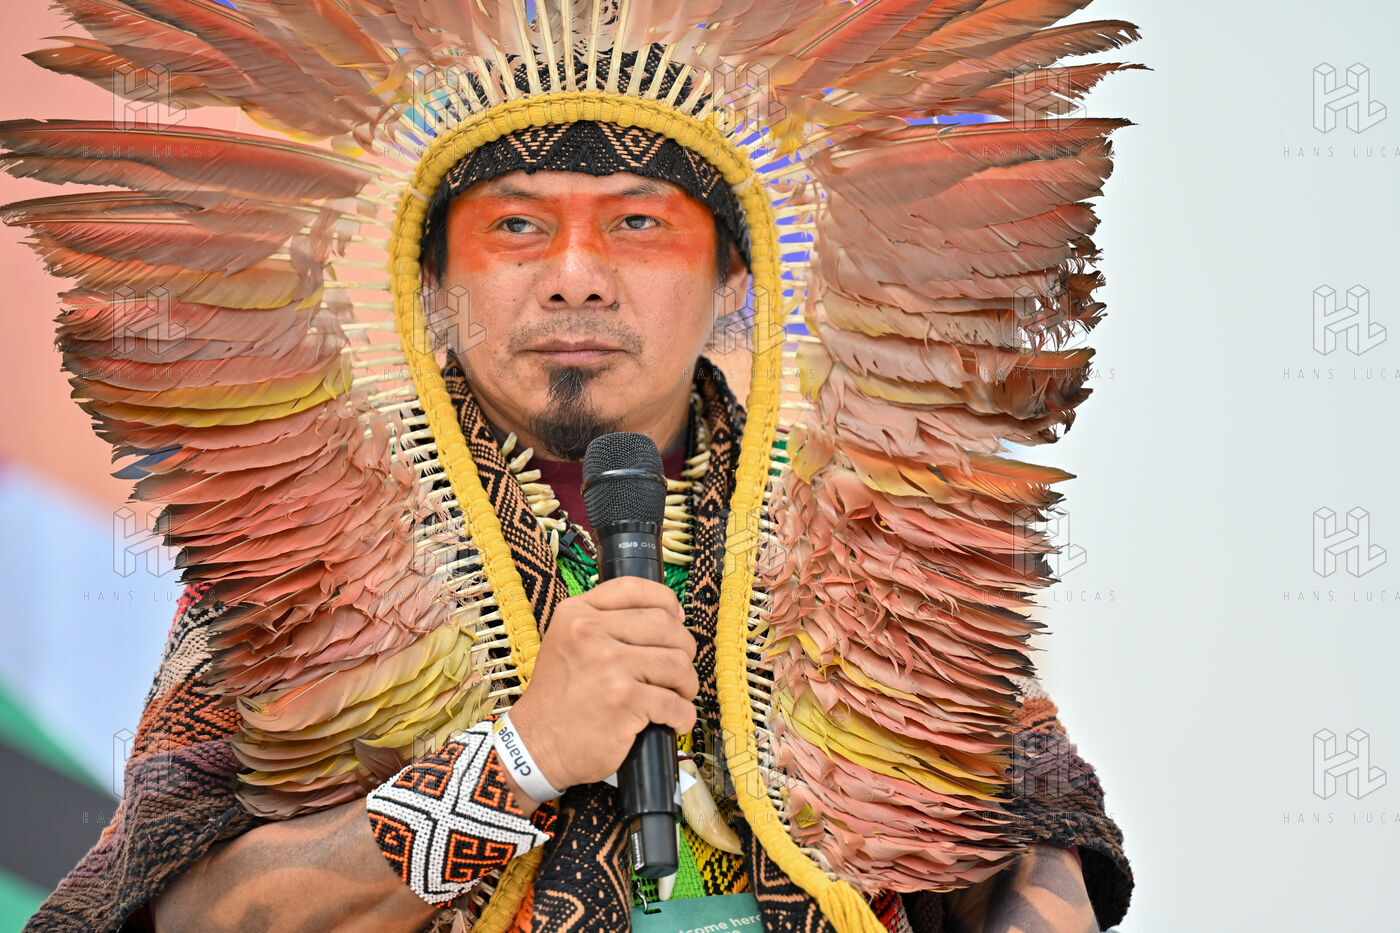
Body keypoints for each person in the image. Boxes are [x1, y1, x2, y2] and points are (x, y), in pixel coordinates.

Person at [8, 3, 1140, 932]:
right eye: (516, 227)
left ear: (735, 279)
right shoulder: (308, 549)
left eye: (638, 224)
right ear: (429, 286)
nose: (577, 275)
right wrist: (517, 758)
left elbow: (1033, 851)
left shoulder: (870, 532)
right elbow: (190, 918)